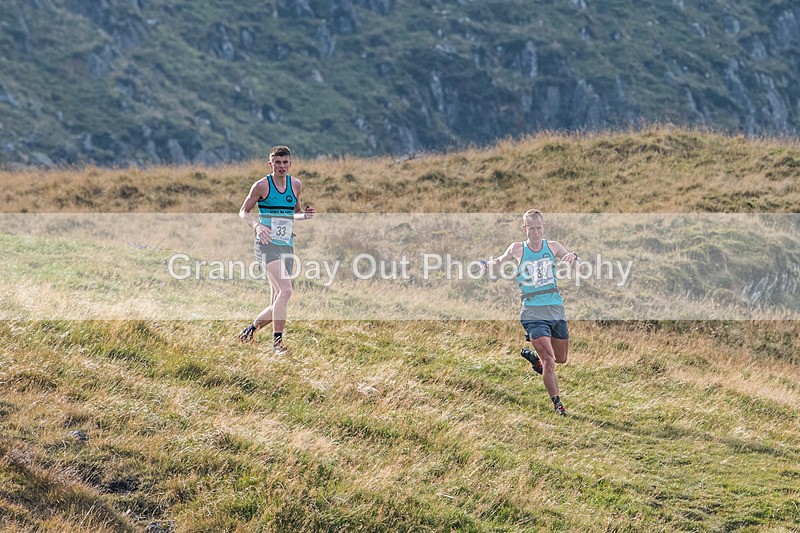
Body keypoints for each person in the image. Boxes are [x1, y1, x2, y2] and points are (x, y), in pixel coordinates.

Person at [480, 209, 578, 416]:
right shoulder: (517, 249)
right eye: (531, 228)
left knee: (561, 358)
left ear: (543, 227)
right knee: (550, 361)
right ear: (524, 228)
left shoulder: (552, 246)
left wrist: (573, 256)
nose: (535, 232)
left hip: (555, 308)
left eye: (538, 228)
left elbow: (571, 258)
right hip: (533, 311)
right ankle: (558, 405)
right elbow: (499, 261)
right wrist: (485, 265)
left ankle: (536, 361)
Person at [237, 145, 315, 355]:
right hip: (266, 246)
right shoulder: (262, 186)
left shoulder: (295, 184)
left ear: (290, 164)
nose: (281, 166)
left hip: (287, 245)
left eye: (285, 162)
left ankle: (249, 331)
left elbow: (295, 212)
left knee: (276, 301)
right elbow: (243, 212)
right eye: (277, 162)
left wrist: (304, 215)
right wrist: (257, 226)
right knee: (286, 291)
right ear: (270, 164)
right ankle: (277, 345)